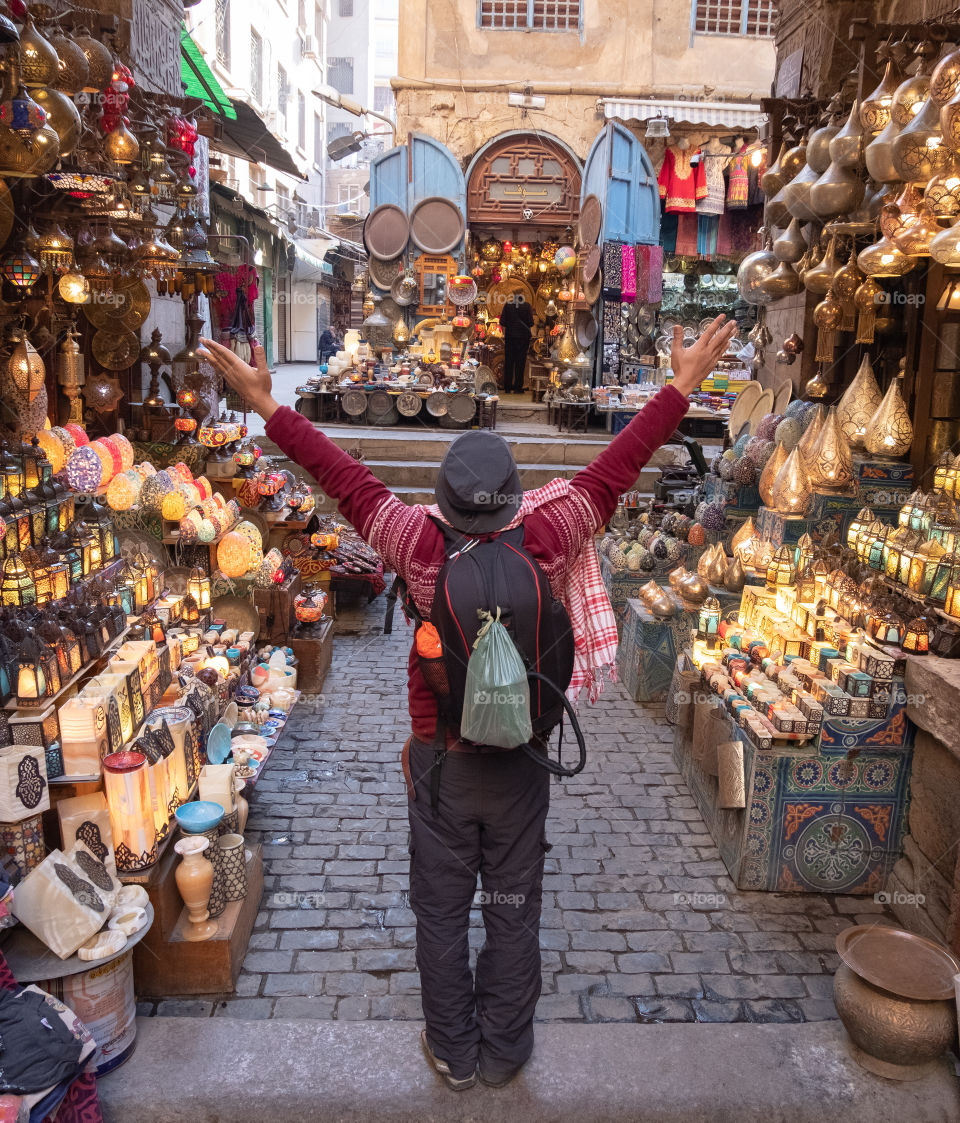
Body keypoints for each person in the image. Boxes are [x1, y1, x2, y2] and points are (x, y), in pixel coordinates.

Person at [198, 316, 736, 1091]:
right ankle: (507, 1049)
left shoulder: (418, 546)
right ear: (514, 497)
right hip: (521, 768)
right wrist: (679, 386)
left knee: (442, 914)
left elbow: (344, 478)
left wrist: (268, 405)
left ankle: (453, 1048)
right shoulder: (548, 533)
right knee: (514, 908)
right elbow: (617, 468)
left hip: (440, 769)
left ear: (446, 501)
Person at [498, 296, 534, 394]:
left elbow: (502, 322)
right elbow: (531, 323)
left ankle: (507, 387)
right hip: (523, 338)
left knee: (509, 362)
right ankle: (518, 387)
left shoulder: (508, 305)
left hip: (510, 337)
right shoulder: (527, 306)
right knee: (520, 363)